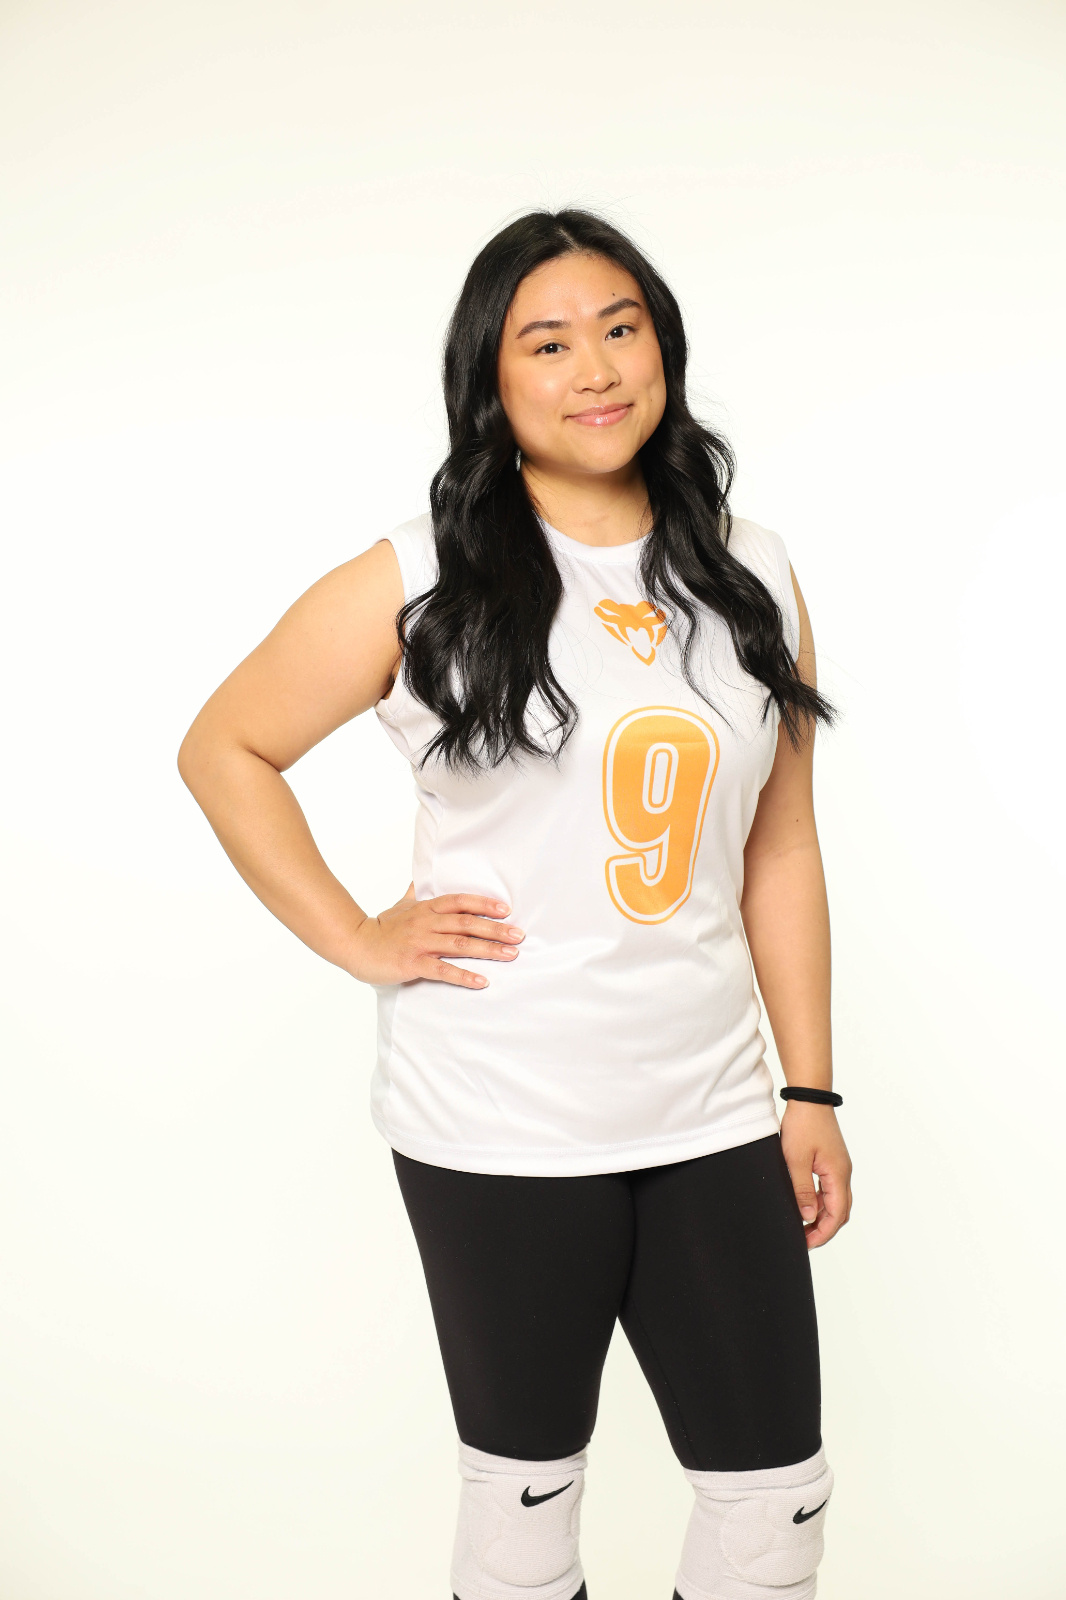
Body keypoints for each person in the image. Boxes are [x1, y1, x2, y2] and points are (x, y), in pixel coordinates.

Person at [178, 207, 853, 1600]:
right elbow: (225, 747)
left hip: (712, 1108)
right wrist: (356, 933)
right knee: (525, 1509)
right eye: (547, 344)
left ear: (662, 346)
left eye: (620, 328)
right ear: (491, 376)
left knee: (774, 1507)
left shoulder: (753, 568)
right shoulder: (420, 575)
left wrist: (809, 1091)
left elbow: (779, 848)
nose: (594, 368)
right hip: (499, 1114)